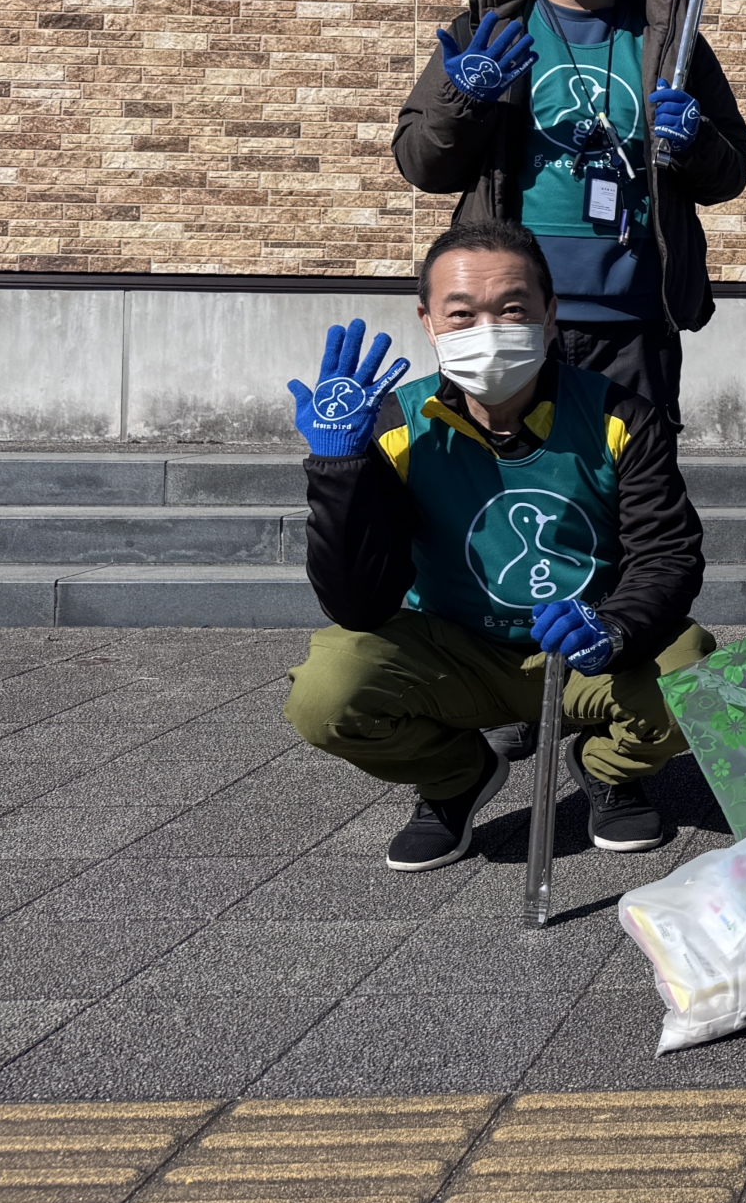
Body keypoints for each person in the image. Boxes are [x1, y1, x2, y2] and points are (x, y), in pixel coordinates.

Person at [284, 219, 712, 871]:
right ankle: (456, 776)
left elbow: (667, 554)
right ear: (428, 323)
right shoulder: (399, 426)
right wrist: (340, 469)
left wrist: (618, 628)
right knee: (327, 693)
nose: (487, 331)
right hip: (455, 652)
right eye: (462, 314)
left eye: (512, 309)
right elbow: (360, 605)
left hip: (587, 649)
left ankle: (607, 768)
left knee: (698, 678)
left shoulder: (619, 417)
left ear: (549, 317)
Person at [392, 0, 746, 426]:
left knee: (633, 496)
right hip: (508, 319)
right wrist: (465, 102)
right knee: (503, 481)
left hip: (635, 321)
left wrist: (696, 140)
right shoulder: (487, 30)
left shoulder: (671, 40)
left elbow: (730, 173)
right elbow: (421, 165)